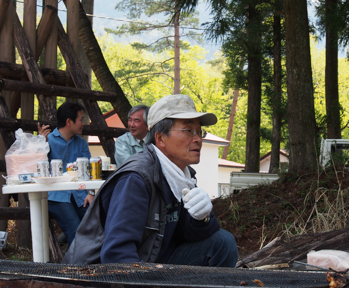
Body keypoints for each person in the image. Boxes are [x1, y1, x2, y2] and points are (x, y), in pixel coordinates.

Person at [63, 94, 238, 267]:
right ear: (160, 138)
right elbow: (117, 255)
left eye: (199, 132)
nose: (198, 139)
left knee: (222, 243)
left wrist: (202, 218)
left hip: (157, 260)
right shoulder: (136, 179)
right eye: (188, 130)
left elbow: (186, 234)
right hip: (106, 274)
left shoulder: (182, 176)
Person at [38, 102, 94, 247]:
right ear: (69, 121)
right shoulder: (47, 140)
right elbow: (36, 166)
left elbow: (89, 171)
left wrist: (91, 192)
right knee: (74, 229)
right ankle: (79, 267)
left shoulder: (81, 143)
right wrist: (40, 145)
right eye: (81, 119)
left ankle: (90, 263)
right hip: (55, 196)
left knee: (95, 225)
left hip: (80, 195)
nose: (83, 123)